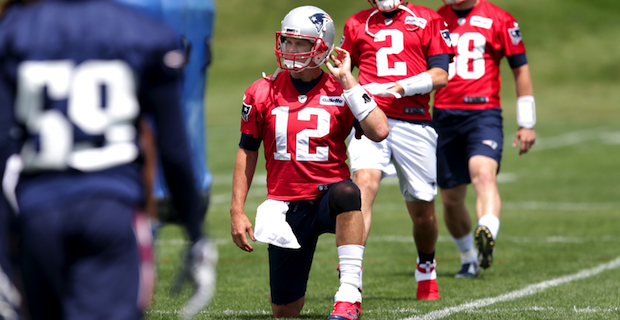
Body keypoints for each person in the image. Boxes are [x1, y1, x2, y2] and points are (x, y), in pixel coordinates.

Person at [0, 0, 215, 319]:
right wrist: (195, 233)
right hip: (111, 206)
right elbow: (173, 147)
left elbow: (4, 148)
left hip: (37, 211)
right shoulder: (144, 32)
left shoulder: (14, 32)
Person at [229, 5, 389, 320]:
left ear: (321, 46)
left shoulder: (342, 90)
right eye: (287, 41)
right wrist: (237, 210)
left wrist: (349, 81)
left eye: (300, 43)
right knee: (285, 310)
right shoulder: (262, 91)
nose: (290, 49)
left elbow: (380, 130)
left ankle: (349, 294)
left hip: (328, 196)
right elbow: (246, 150)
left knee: (348, 192)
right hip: (286, 205)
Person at [340, 0, 453, 300]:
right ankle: (352, 272)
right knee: (363, 185)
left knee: (423, 212)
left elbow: (441, 74)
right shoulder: (356, 23)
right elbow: (340, 73)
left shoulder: (428, 18)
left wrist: (400, 87)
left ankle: (426, 264)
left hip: (414, 122)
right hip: (370, 116)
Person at [434, 0, 537, 277]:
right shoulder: (434, 18)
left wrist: (527, 122)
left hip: (483, 113)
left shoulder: (500, 19)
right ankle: (469, 256)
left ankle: (487, 231)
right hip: (443, 115)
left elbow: (520, 68)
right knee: (451, 199)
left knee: (483, 174)